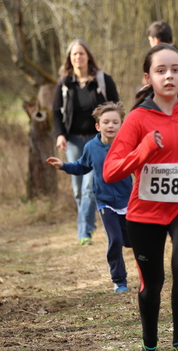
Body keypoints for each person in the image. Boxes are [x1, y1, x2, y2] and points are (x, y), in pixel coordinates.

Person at [103, 44, 178, 351]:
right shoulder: (137, 119)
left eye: (175, 69)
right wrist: (145, 149)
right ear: (148, 77)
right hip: (145, 212)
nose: (169, 76)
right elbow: (111, 171)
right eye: (161, 70)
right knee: (151, 285)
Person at [47, 102, 132, 293]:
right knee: (115, 240)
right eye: (106, 122)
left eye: (115, 122)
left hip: (128, 201)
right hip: (105, 203)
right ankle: (120, 280)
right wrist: (63, 165)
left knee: (131, 241)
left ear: (122, 125)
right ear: (98, 126)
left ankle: (147, 273)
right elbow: (81, 166)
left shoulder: (128, 145)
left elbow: (139, 167)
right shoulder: (92, 147)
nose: (110, 126)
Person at [53, 39, 120, 245]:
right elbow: (56, 112)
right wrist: (60, 134)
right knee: (77, 188)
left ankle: (84, 232)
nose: (78, 57)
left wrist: (112, 132)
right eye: (74, 54)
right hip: (73, 141)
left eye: (81, 53)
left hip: (97, 141)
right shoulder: (64, 84)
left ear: (88, 56)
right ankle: (88, 224)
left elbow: (116, 106)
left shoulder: (102, 80)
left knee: (89, 187)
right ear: (69, 58)